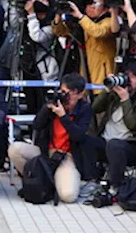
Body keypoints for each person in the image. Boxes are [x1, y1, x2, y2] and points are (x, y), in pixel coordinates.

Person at [7, 74, 92, 203]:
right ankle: (38, 181)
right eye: (63, 92)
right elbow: (36, 125)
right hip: (46, 152)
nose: (66, 97)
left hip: (67, 156)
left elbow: (79, 136)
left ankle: (53, 181)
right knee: (15, 149)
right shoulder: (55, 102)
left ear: (80, 95)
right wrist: (46, 109)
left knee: (68, 196)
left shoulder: (84, 109)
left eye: (71, 94)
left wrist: (63, 116)